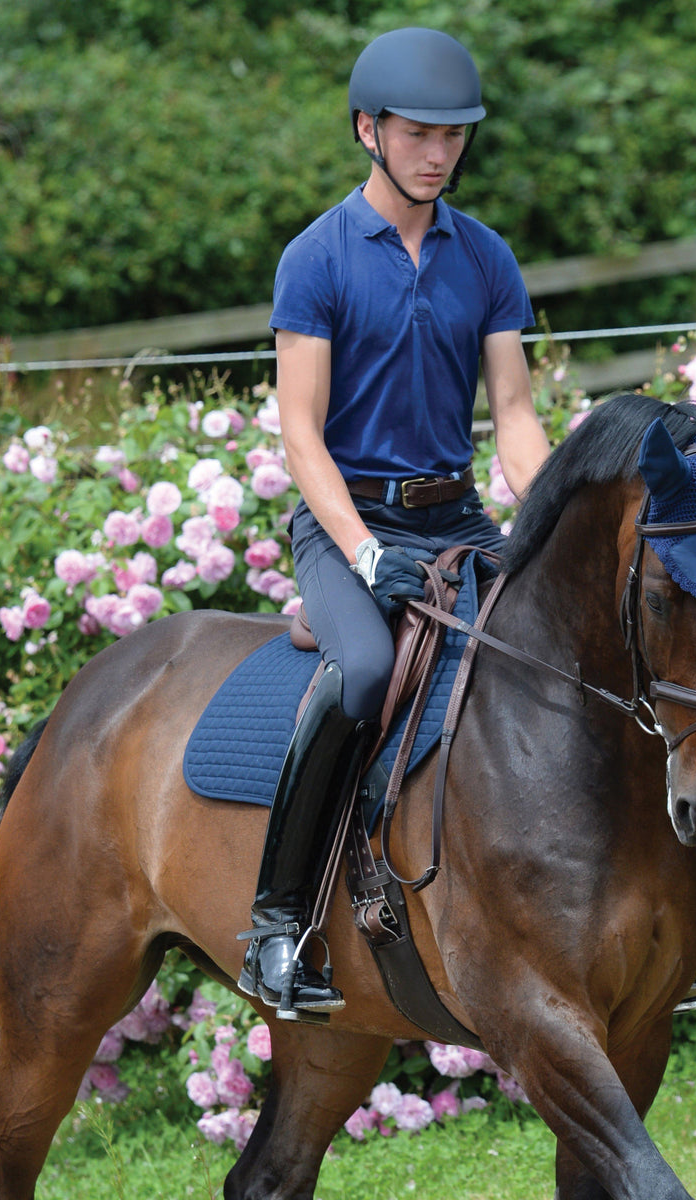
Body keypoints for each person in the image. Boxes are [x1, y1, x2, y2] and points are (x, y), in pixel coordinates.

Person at [237, 27, 550, 1021]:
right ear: (368, 130)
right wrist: (366, 552)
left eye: (455, 137)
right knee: (364, 674)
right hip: (348, 526)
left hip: (455, 516)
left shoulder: (486, 257)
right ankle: (278, 927)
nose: (440, 154)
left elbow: (512, 413)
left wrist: (545, 523)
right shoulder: (316, 258)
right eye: (419, 135)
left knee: (560, 645)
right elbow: (300, 431)